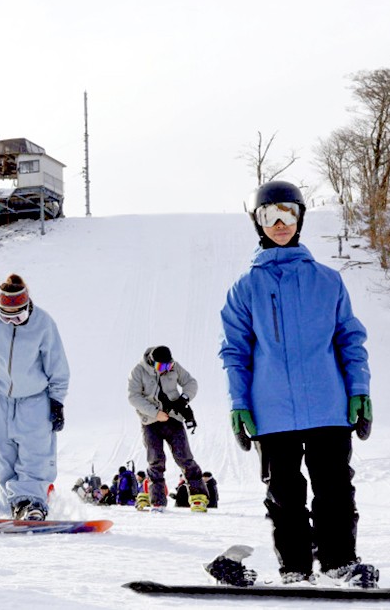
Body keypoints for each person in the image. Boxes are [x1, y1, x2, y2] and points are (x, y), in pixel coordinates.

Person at [219, 180, 377, 587]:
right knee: (285, 497)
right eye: (269, 215)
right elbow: (234, 352)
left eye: (288, 213)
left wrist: (359, 389)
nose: (280, 223)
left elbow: (349, 340)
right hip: (272, 411)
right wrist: (239, 403)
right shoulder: (245, 288)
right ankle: (294, 568)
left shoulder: (328, 280)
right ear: (258, 222)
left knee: (335, 490)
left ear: (300, 217)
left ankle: (340, 563)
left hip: (329, 404)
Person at [0, 273, 70, 521]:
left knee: (35, 454)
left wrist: (56, 402)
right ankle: (9, 509)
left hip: (35, 400)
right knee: (3, 457)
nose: (12, 321)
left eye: (18, 316)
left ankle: (32, 503)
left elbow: (58, 367)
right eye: (6, 316)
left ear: (28, 306)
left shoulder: (44, 323)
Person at [127, 345, 210, 512]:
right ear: (152, 362)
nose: (164, 370)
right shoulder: (138, 371)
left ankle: (198, 497)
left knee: (184, 457)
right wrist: (155, 413)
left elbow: (190, 382)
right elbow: (133, 397)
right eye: (160, 366)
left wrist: (184, 398)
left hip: (173, 419)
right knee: (155, 460)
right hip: (150, 422)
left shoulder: (174, 366)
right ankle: (157, 501)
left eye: (168, 366)